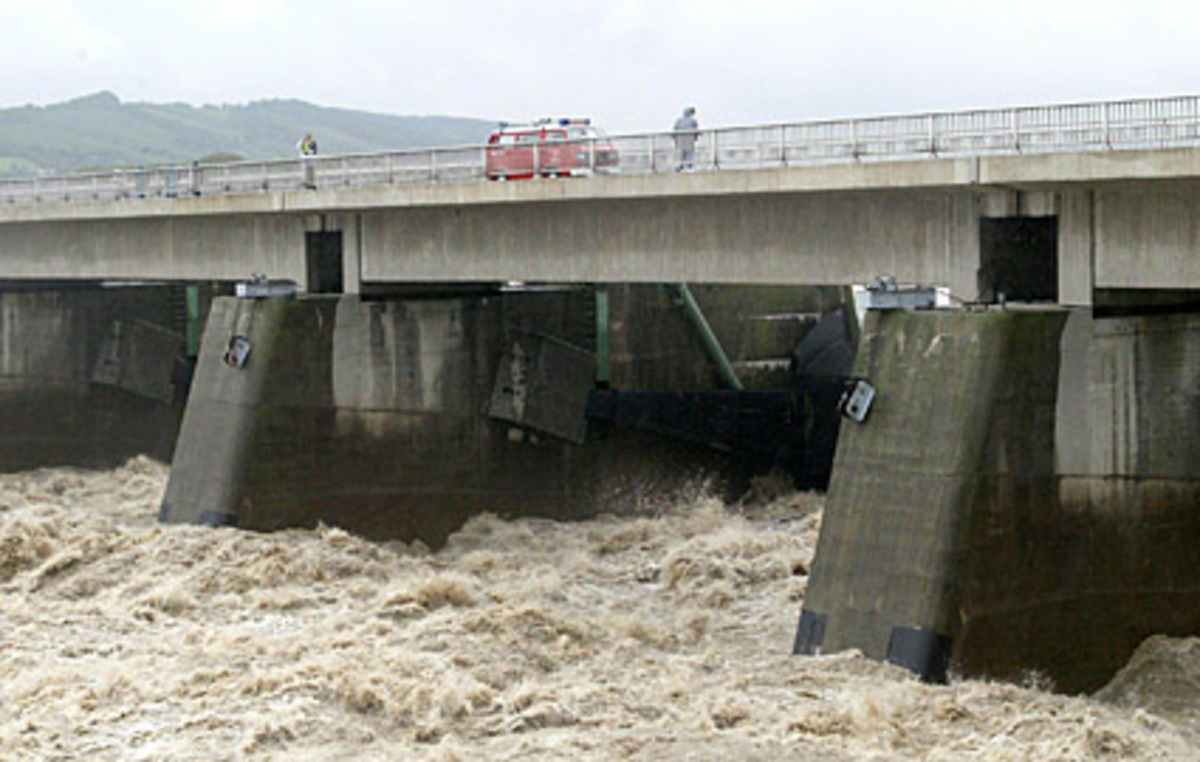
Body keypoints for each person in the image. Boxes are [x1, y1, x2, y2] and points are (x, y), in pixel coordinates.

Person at [673, 106, 699, 171]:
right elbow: (696, 131)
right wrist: (696, 138)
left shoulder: (679, 121)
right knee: (690, 154)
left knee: (681, 154)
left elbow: (674, 130)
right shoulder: (693, 121)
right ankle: (690, 166)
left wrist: (675, 140)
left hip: (680, 141)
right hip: (690, 140)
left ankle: (680, 166)